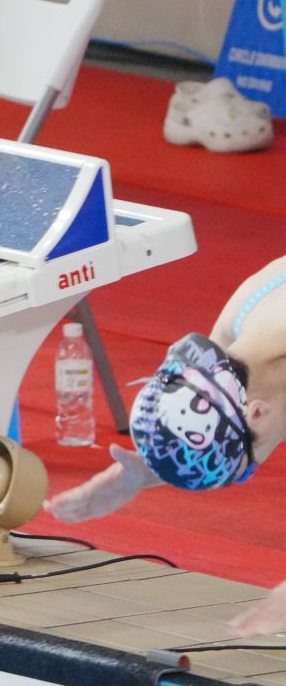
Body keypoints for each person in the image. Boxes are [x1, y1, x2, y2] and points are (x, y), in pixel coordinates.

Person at [49, 256, 286, 636]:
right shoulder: (234, 333)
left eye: (247, 469)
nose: (249, 470)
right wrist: (152, 468)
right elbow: (204, 420)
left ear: (257, 413)